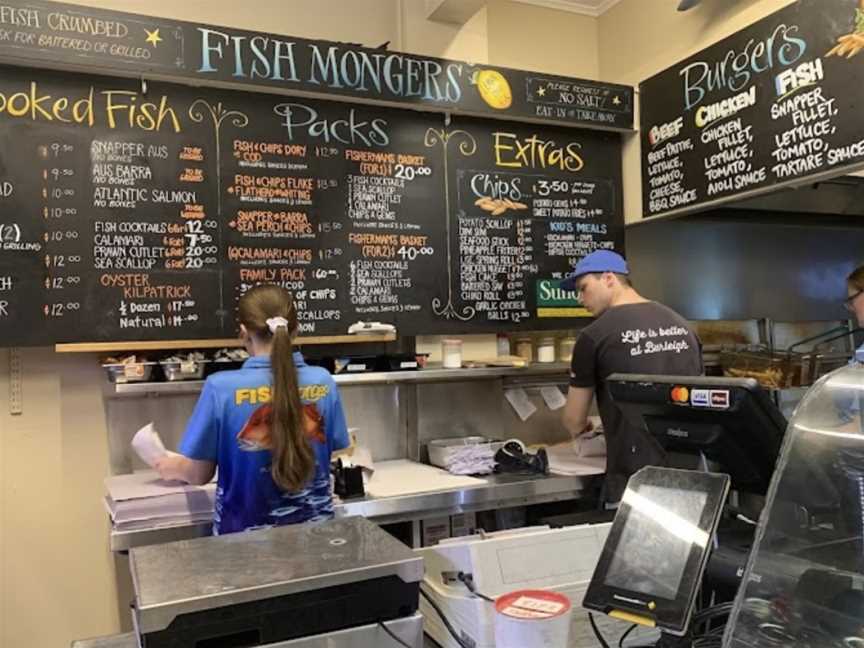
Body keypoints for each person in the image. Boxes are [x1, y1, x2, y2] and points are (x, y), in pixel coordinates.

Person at [155, 284, 350, 534]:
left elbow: (199, 474)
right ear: (296, 331)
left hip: (242, 545)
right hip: (316, 539)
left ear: (244, 334)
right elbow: (332, 447)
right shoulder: (323, 382)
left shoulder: (220, 388)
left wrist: (170, 466)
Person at [560, 250, 703, 504]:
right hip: (692, 474)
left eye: (583, 288)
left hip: (634, 480)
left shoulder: (594, 335)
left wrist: (584, 431)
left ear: (608, 278)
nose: (580, 299)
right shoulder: (682, 325)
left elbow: (573, 419)